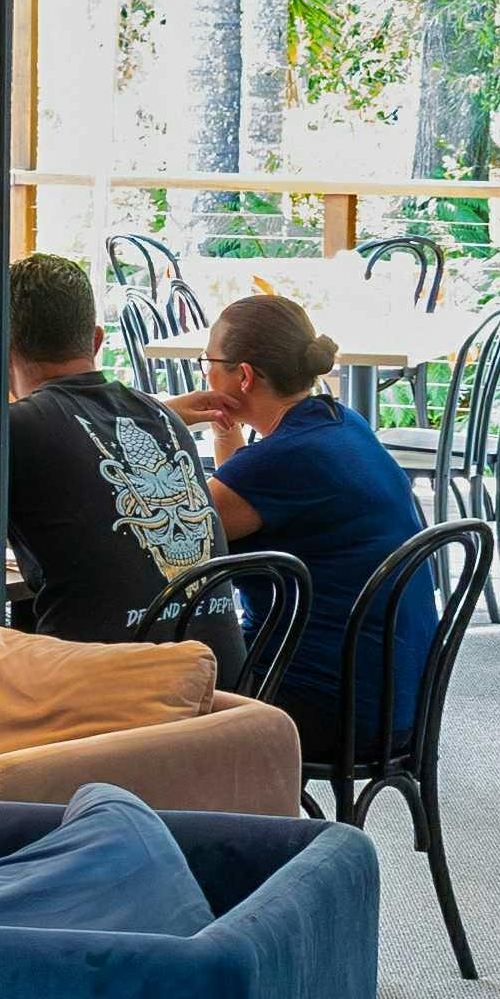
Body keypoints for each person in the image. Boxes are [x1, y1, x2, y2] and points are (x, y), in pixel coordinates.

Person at [166, 291, 433, 774]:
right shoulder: (342, 423)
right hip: (396, 695)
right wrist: (225, 432)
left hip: (326, 710)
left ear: (243, 375)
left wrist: (164, 416)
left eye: (209, 360)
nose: (205, 371)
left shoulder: (282, 462)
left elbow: (172, 534)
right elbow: (246, 494)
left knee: (146, 693)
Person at [1, 254, 219, 640]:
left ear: (1, 345)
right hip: (228, 686)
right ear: (97, 341)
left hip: (111, 689)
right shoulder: (163, 418)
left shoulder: (17, 430)